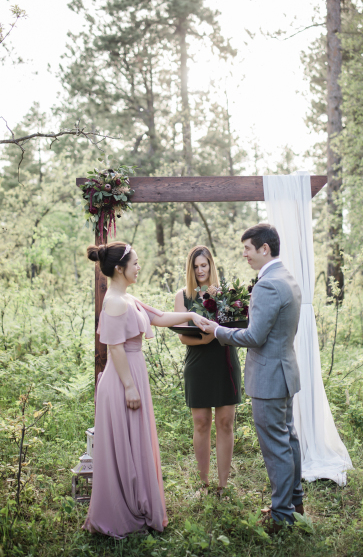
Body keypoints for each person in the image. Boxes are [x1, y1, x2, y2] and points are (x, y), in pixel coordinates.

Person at [83, 241, 208, 538]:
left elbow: (160, 318)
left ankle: (139, 505)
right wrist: (129, 387)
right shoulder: (113, 301)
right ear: (119, 268)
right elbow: (114, 347)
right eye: (135, 263)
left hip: (133, 373)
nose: (139, 267)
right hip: (123, 379)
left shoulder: (127, 297)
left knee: (136, 441)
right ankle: (123, 512)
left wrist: (191, 316)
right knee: (125, 445)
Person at [199, 225, 304, 533]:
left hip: (269, 377)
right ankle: (294, 501)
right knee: (289, 439)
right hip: (285, 372)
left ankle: (282, 514)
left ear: (264, 249)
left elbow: (255, 336)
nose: (243, 253)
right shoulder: (286, 278)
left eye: (247, 248)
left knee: (276, 447)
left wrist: (217, 330)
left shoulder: (268, 285)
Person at [174, 246, 242, 495]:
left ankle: (223, 485)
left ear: (212, 265)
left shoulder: (227, 293)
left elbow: (238, 327)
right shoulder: (183, 296)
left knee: (225, 423)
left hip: (224, 361)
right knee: (201, 423)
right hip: (198, 362)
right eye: (195, 266)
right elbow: (182, 336)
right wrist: (203, 340)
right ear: (190, 269)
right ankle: (203, 484)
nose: (200, 270)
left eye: (204, 265)